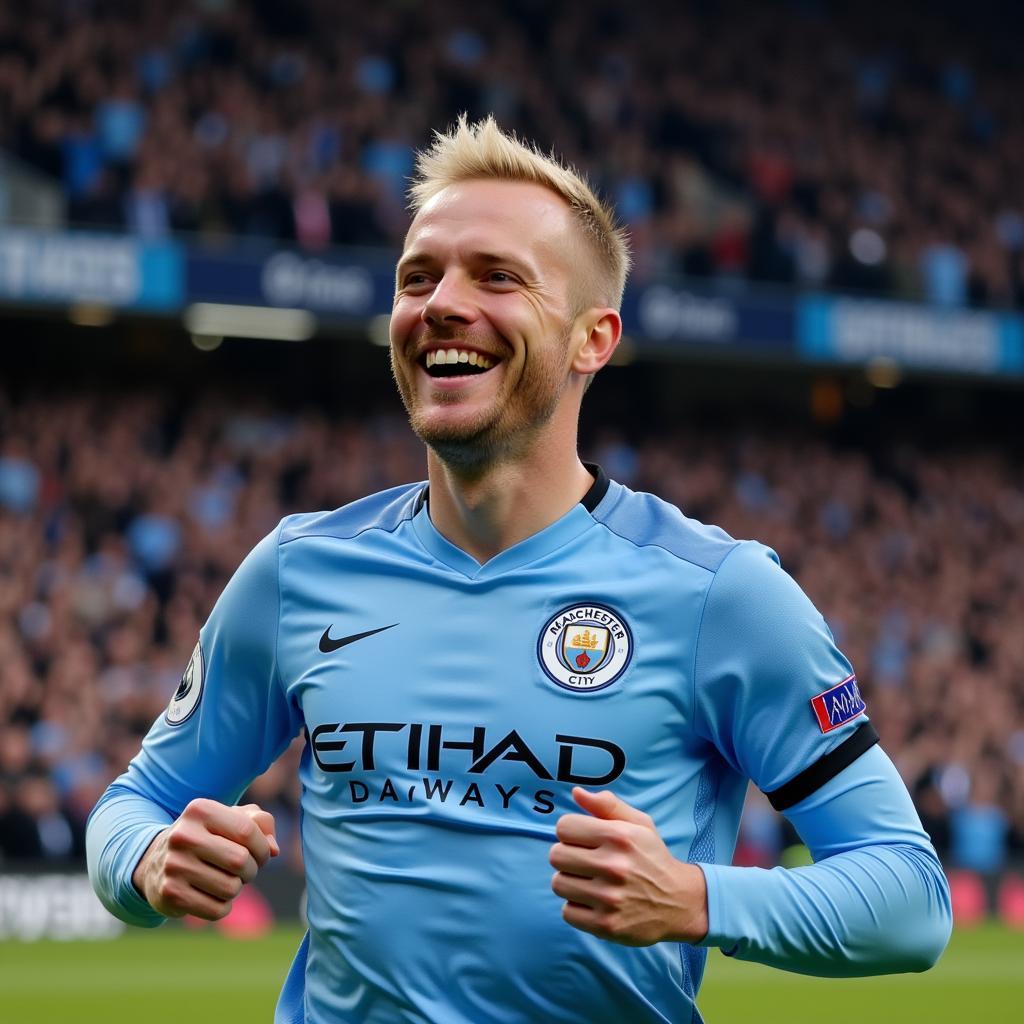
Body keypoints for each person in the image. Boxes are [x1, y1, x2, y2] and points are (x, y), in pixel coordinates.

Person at [88, 116, 951, 1023]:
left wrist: (699, 901)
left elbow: (909, 898)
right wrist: (147, 860)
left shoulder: (719, 596)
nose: (442, 303)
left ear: (593, 339)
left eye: (497, 276)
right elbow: (135, 802)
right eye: (418, 277)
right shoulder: (299, 570)